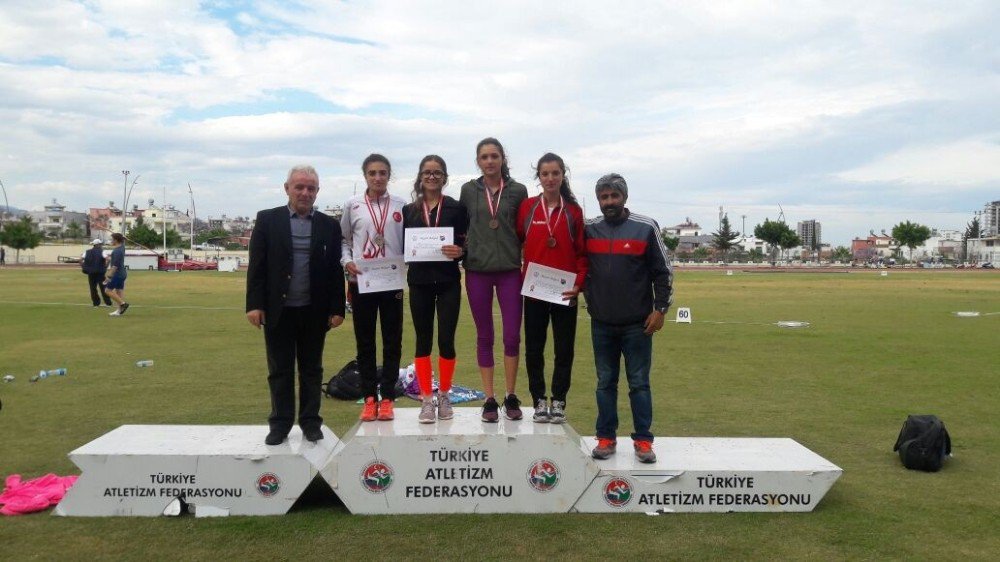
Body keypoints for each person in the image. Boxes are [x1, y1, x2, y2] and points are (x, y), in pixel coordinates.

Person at [246, 164, 346, 445]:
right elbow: (257, 265)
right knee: (280, 370)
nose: (305, 192)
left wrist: (337, 308)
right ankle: (279, 423)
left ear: (317, 192)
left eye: (311, 188)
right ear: (287, 188)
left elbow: (335, 270)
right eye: (299, 187)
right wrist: (254, 304)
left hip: (314, 311)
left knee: (312, 370)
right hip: (278, 310)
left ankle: (311, 422)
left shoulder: (329, 224)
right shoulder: (267, 220)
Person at [584, 173, 672, 463]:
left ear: (624, 197)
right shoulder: (589, 229)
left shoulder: (645, 227)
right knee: (604, 383)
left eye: (614, 196)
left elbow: (663, 272)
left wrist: (661, 310)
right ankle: (606, 438)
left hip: (638, 324)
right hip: (602, 323)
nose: (609, 202)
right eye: (603, 197)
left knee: (639, 383)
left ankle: (644, 441)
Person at [459, 137, 528, 422]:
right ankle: (489, 399)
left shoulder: (518, 190)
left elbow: (524, 230)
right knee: (484, 336)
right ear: (478, 161)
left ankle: (510, 395)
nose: (489, 161)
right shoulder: (467, 190)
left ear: (502, 159)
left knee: (512, 336)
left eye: (494, 156)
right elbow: (461, 229)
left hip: (511, 270)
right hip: (477, 270)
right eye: (484, 156)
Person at [517, 153, 587, 424]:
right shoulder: (527, 208)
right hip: (534, 291)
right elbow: (517, 242)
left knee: (564, 349)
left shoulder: (573, 211)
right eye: (545, 174)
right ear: (539, 177)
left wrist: (579, 284)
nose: (550, 178)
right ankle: (538, 401)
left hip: (565, 292)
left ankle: (558, 401)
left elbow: (582, 254)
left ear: (562, 175)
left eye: (555, 173)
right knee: (534, 349)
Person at [402, 155, 468, 423]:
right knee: (422, 340)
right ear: (420, 176)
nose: (432, 176)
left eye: (437, 172)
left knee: (446, 340)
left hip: (449, 280)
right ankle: (427, 399)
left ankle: (444, 395)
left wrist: (461, 251)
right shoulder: (409, 210)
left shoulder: (456, 207)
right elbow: (403, 246)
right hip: (419, 282)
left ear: (444, 177)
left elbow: (466, 243)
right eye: (427, 172)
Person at [341, 154, 407, 422]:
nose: (378, 177)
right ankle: (369, 397)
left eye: (382, 173)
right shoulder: (352, 205)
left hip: (391, 283)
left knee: (393, 341)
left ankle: (388, 397)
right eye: (372, 173)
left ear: (389, 175)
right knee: (365, 341)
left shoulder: (402, 205)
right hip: (362, 282)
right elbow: (343, 240)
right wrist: (347, 262)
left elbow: (409, 243)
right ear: (365, 176)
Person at [104, 233, 130, 316]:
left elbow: (115, 266)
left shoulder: (117, 251)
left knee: (107, 291)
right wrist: (124, 239)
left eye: (112, 239)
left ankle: (123, 304)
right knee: (119, 292)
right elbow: (122, 242)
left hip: (117, 274)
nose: (111, 241)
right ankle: (119, 311)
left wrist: (108, 277)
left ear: (116, 240)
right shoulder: (122, 247)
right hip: (122, 273)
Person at [82, 239, 113, 307]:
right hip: (100, 272)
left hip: (91, 272)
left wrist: (83, 267)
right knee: (103, 287)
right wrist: (106, 266)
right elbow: (108, 259)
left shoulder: (87, 252)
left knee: (93, 288)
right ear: (98, 244)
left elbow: (80, 259)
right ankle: (108, 302)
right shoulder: (102, 251)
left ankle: (96, 303)